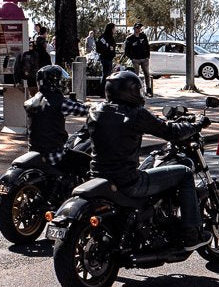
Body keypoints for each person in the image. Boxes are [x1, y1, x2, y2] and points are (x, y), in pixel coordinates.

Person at [86, 71, 206, 248]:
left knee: (151, 158)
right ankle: (191, 233)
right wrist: (197, 125)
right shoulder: (136, 114)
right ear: (130, 91)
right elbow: (171, 132)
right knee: (185, 173)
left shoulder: (95, 110)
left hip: (98, 177)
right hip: (128, 182)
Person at [24, 65, 88, 170]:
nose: (63, 83)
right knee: (87, 162)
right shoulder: (60, 103)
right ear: (54, 83)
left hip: (34, 153)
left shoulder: (30, 102)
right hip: (55, 155)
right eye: (60, 81)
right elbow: (84, 111)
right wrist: (95, 107)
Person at [124, 23, 153, 97]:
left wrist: (147, 56)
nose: (138, 29)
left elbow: (147, 46)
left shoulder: (143, 36)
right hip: (136, 59)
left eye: (139, 28)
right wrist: (132, 58)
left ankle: (148, 90)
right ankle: (136, 90)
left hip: (144, 59)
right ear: (134, 28)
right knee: (136, 75)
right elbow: (126, 51)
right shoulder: (129, 38)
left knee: (147, 74)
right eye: (137, 28)